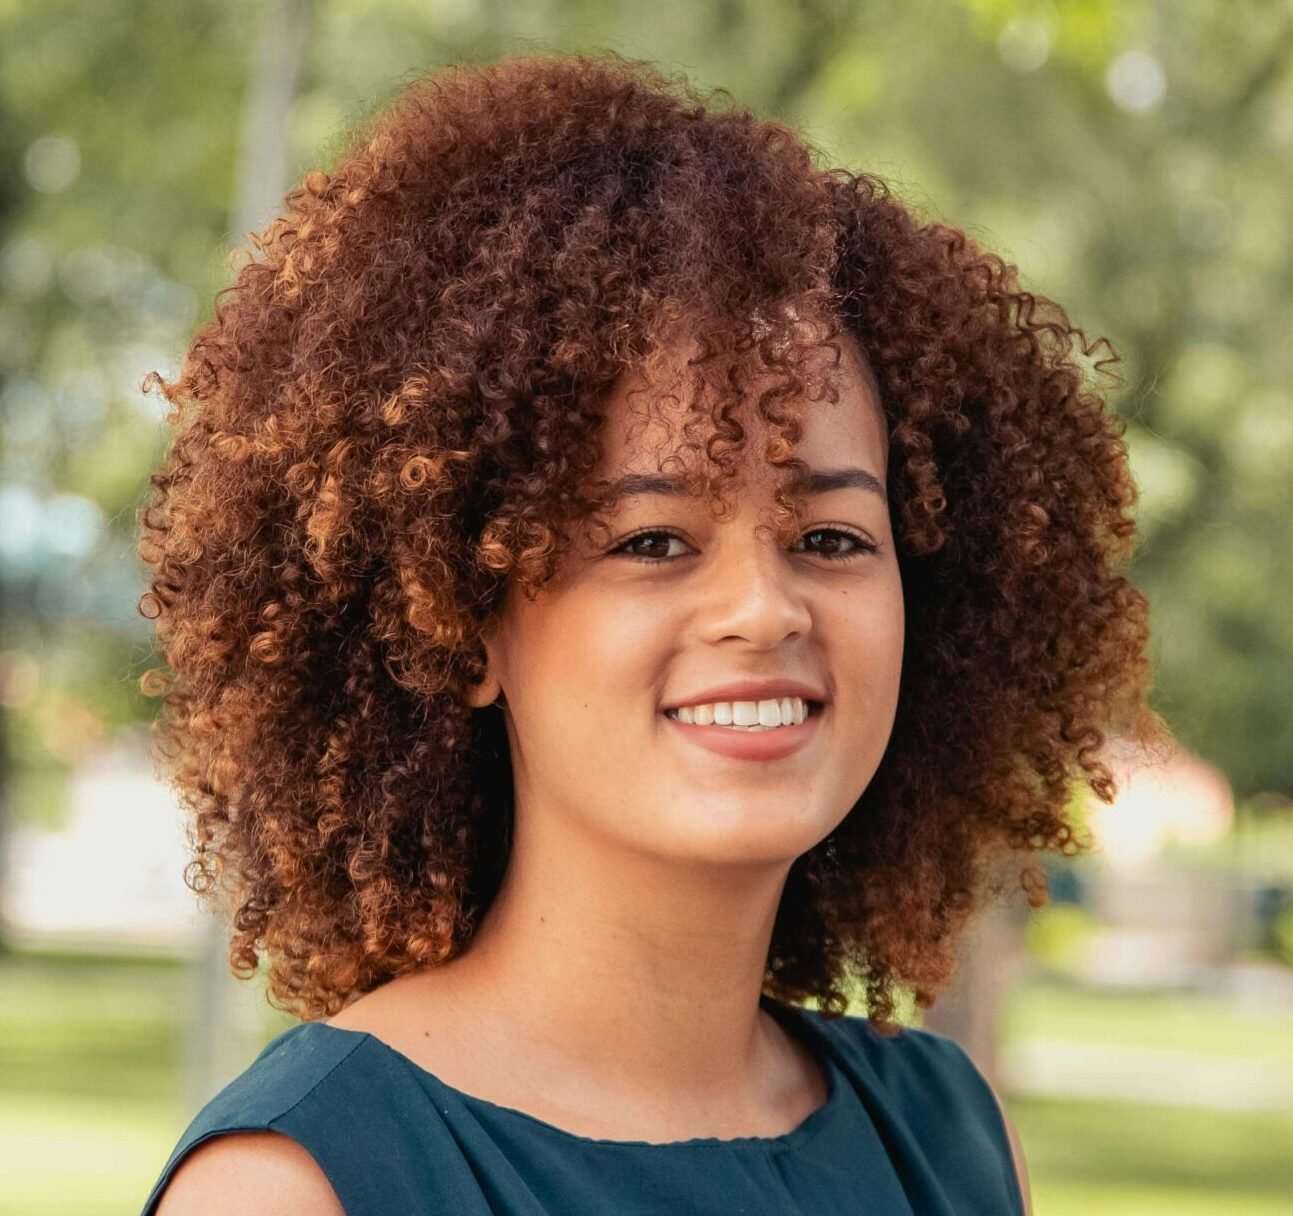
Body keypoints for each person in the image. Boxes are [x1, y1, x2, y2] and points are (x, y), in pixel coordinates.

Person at [136, 50, 1168, 1216]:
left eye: (831, 536)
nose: (766, 609)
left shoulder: (949, 1138)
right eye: (651, 541)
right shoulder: (305, 1185)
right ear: (460, 624)